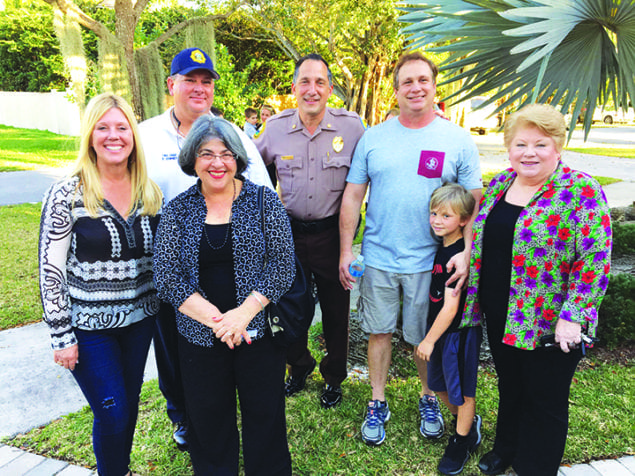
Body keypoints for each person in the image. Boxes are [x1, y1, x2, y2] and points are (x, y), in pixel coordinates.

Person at [460, 103, 611, 476]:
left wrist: (574, 317)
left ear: (558, 147)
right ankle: (506, 449)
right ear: (508, 148)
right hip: (501, 311)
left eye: (541, 144)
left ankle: (535, 466)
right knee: (511, 385)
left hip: (550, 321)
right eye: (520, 144)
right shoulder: (498, 185)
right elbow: (484, 240)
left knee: (546, 398)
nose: (529, 153)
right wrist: (465, 259)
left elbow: (594, 261)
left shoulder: (581, 191)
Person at [339, 52, 482, 446]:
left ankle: (429, 398)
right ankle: (377, 400)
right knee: (379, 332)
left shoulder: (456, 139)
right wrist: (346, 251)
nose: (416, 88)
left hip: (431, 263)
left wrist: (467, 252)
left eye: (423, 80)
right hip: (380, 258)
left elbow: (474, 202)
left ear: (434, 86)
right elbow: (353, 197)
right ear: (396, 89)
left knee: (424, 336)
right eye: (407, 82)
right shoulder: (374, 137)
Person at [138, 47, 273, 450]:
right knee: (175, 344)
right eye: (190, 80)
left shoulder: (229, 135)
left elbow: (262, 189)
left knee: (229, 341)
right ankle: (182, 415)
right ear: (171, 85)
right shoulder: (144, 135)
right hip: (171, 256)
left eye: (206, 81)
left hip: (228, 251)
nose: (199, 88)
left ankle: (226, 417)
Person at [153, 115, 294, 475]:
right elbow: (167, 275)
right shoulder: (177, 210)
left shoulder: (265, 202)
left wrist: (242, 315)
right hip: (199, 337)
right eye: (206, 154)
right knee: (208, 423)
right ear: (192, 160)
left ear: (238, 159)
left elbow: (282, 264)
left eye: (226, 153)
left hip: (256, 334)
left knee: (265, 419)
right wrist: (220, 322)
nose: (217, 162)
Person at [38, 93, 163, 476]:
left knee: (128, 406)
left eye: (122, 127)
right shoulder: (67, 193)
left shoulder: (149, 191)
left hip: (140, 322)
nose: (114, 136)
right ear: (90, 136)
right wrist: (62, 334)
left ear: (133, 135)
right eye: (103, 127)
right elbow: (50, 268)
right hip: (89, 329)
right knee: (112, 410)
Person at [254, 53, 366, 409]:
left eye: (320, 82)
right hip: (289, 234)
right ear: (294, 88)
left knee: (336, 309)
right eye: (305, 82)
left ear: (330, 88)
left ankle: (334, 376)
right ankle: (298, 366)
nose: (312, 90)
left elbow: (366, 180)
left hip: (334, 234)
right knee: (291, 307)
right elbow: (253, 174)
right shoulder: (274, 129)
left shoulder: (352, 128)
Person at [416, 183, 481, 475]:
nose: (437, 220)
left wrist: (428, 340)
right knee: (439, 385)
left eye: (446, 216)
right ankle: (468, 422)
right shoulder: (441, 249)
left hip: (457, 334)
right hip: (441, 331)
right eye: (434, 213)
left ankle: (462, 439)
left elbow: (451, 307)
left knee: (463, 392)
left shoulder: (457, 257)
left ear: (464, 221)